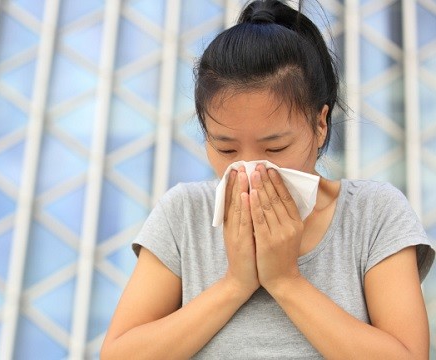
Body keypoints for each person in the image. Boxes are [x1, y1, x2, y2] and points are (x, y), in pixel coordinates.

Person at [100, 0, 435, 358]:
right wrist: (235, 283)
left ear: (321, 125)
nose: (252, 170)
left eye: (275, 148)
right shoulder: (185, 213)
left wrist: (285, 280)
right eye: (226, 149)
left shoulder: (373, 213)